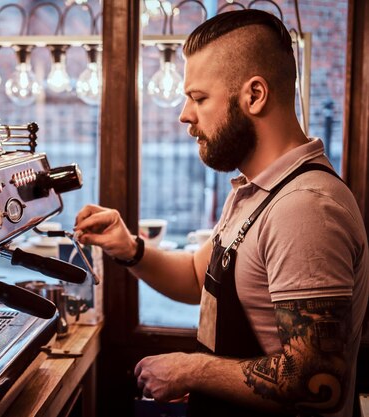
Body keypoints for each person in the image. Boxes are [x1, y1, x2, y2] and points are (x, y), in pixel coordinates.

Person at [74, 9, 368, 417]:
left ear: (254, 95)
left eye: (198, 98)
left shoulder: (305, 208)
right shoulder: (256, 190)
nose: (184, 115)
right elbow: (199, 279)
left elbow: (319, 383)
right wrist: (129, 248)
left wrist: (193, 370)